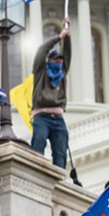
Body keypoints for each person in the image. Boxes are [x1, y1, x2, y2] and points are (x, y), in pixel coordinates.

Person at [31, 17, 72, 169]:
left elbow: (67, 54)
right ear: (49, 60)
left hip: (58, 118)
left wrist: (67, 36)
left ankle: (59, 183)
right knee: (38, 147)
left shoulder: (62, 72)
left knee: (60, 153)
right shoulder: (41, 71)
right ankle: (35, 175)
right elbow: (42, 50)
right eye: (55, 60)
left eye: (60, 60)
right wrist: (58, 37)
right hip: (42, 117)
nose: (58, 63)